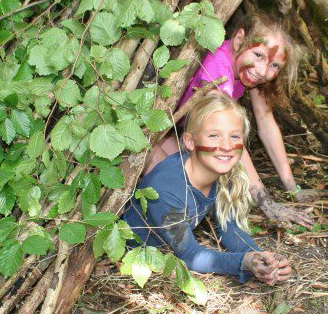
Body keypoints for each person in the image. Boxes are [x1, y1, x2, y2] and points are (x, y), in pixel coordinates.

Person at [145, 11, 313, 227]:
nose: (262, 71)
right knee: (187, 186)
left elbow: (266, 122)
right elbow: (230, 141)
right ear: (239, 40)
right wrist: (266, 203)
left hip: (184, 135)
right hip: (158, 136)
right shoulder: (217, 67)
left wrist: (292, 188)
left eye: (275, 66)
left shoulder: (247, 70)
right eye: (259, 55)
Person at [123, 94, 292, 284]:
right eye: (214, 135)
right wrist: (243, 262)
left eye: (234, 136)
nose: (227, 146)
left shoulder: (221, 170)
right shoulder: (166, 187)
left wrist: (259, 257)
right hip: (134, 254)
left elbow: (230, 227)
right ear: (190, 142)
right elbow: (191, 256)